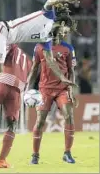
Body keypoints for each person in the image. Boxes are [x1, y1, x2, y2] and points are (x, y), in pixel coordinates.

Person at [26, 23, 78, 164]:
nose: (55, 37)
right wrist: (28, 89)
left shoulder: (68, 48)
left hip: (62, 89)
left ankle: (67, 153)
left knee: (69, 116)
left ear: (61, 34)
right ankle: (35, 155)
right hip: (45, 89)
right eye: (52, 34)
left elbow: (71, 71)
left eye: (57, 34)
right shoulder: (40, 47)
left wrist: (71, 90)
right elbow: (34, 69)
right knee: (40, 120)